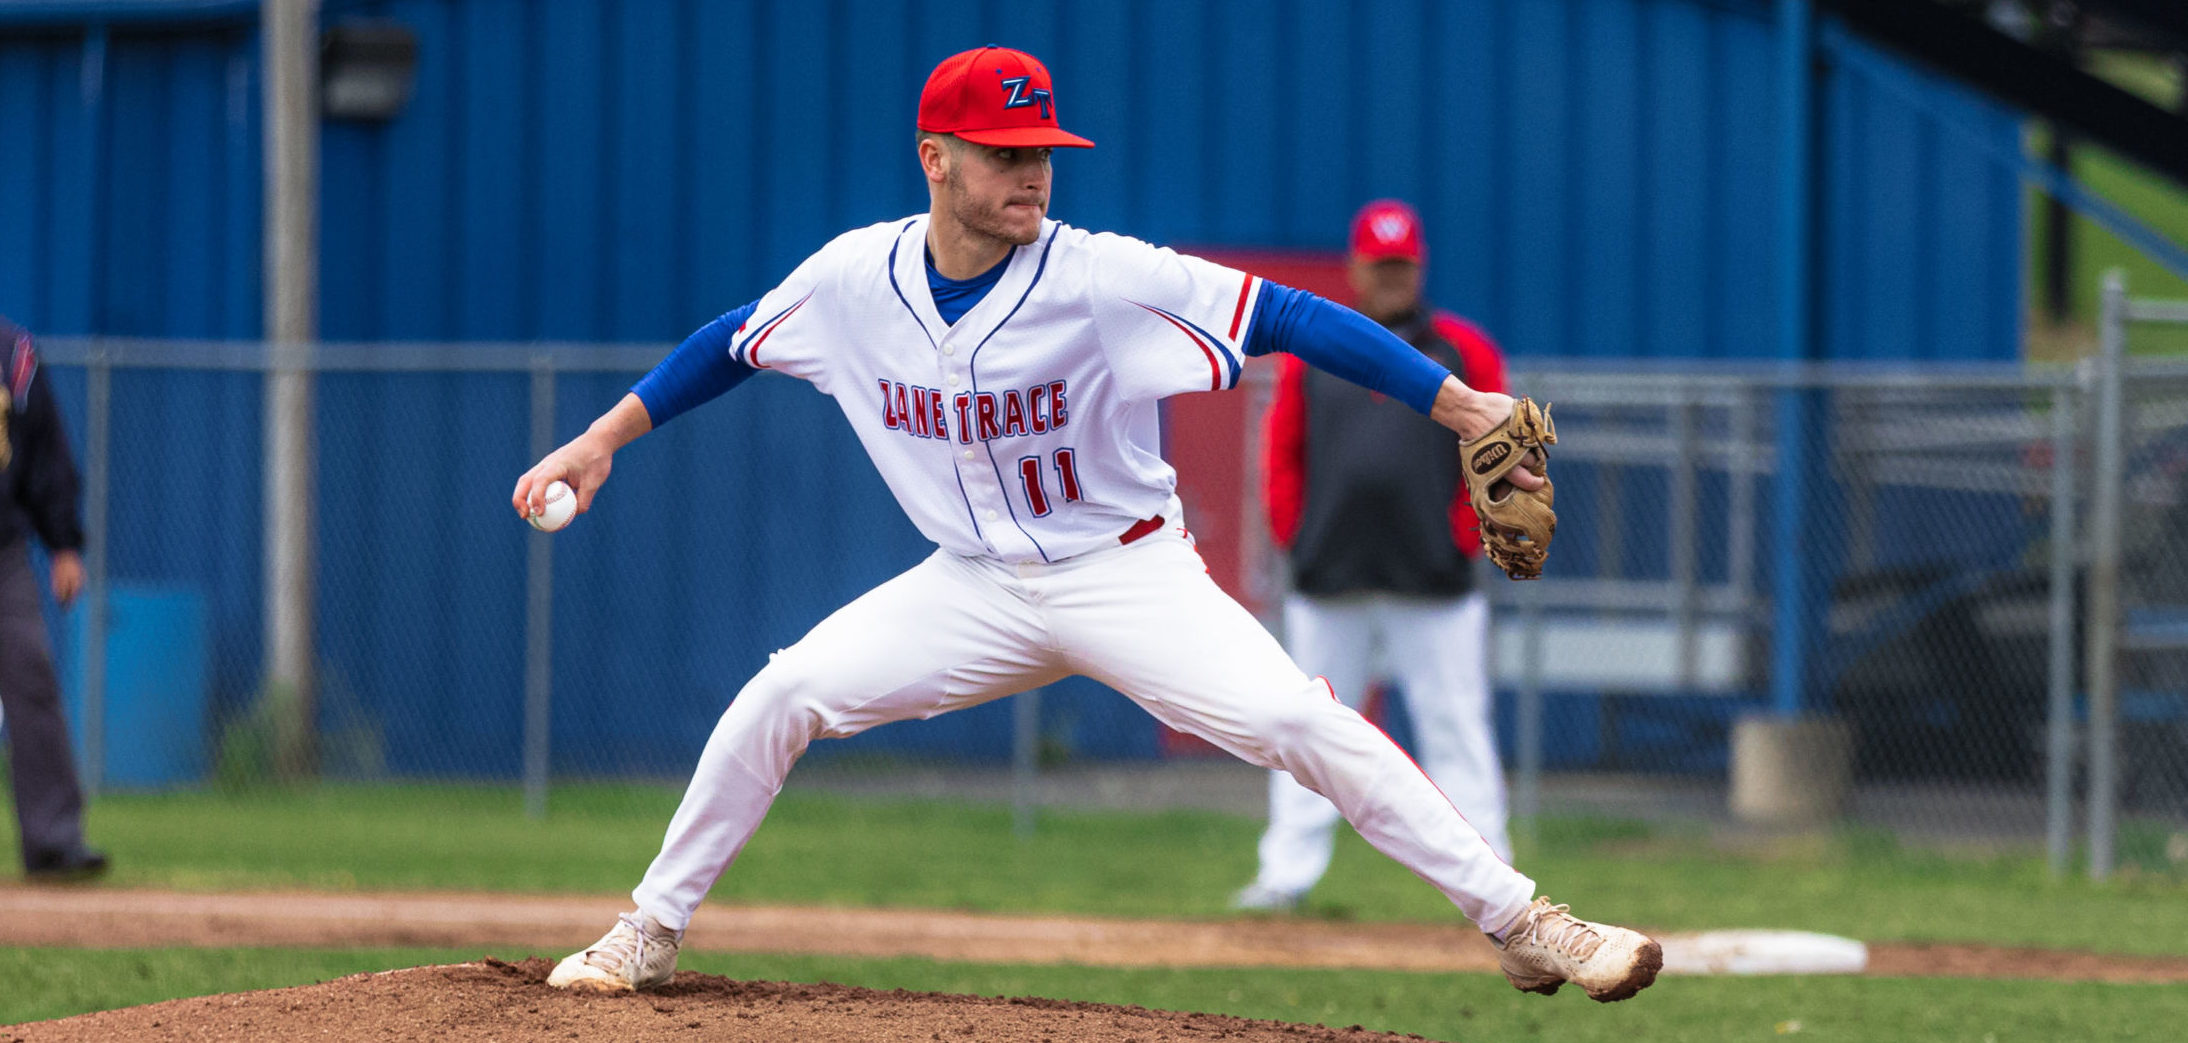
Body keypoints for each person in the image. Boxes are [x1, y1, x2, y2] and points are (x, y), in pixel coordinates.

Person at [513, 46, 1660, 1003]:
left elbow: (1291, 314)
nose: (1032, 175)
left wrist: (1455, 402)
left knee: (1292, 717)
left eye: (1044, 155)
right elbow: (732, 337)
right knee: (780, 693)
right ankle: (648, 928)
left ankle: (1524, 920)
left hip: (1126, 577)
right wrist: (604, 436)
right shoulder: (856, 278)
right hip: (968, 584)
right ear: (936, 158)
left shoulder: (1102, 278)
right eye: (1007, 154)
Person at [1234, 200, 1513, 913]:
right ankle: (1285, 877)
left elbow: (1497, 449)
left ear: (1417, 267)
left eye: (1401, 265)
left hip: (1434, 576)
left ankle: (1496, 885)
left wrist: (1462, 534)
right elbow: (1283, 450)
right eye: (1378, 264)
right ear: (1356, 266)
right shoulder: (1319, 345)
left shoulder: (1461, 348)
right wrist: (1297, 530)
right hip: (1332, 572)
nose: (1390, 277)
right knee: (1304, 732)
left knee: (1456, 726)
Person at [0, 316, 107, 882]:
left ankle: (53, 841)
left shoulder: (13, 355)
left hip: (2, 553)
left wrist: (63, 543)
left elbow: (45, 454)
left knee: (32, 680)